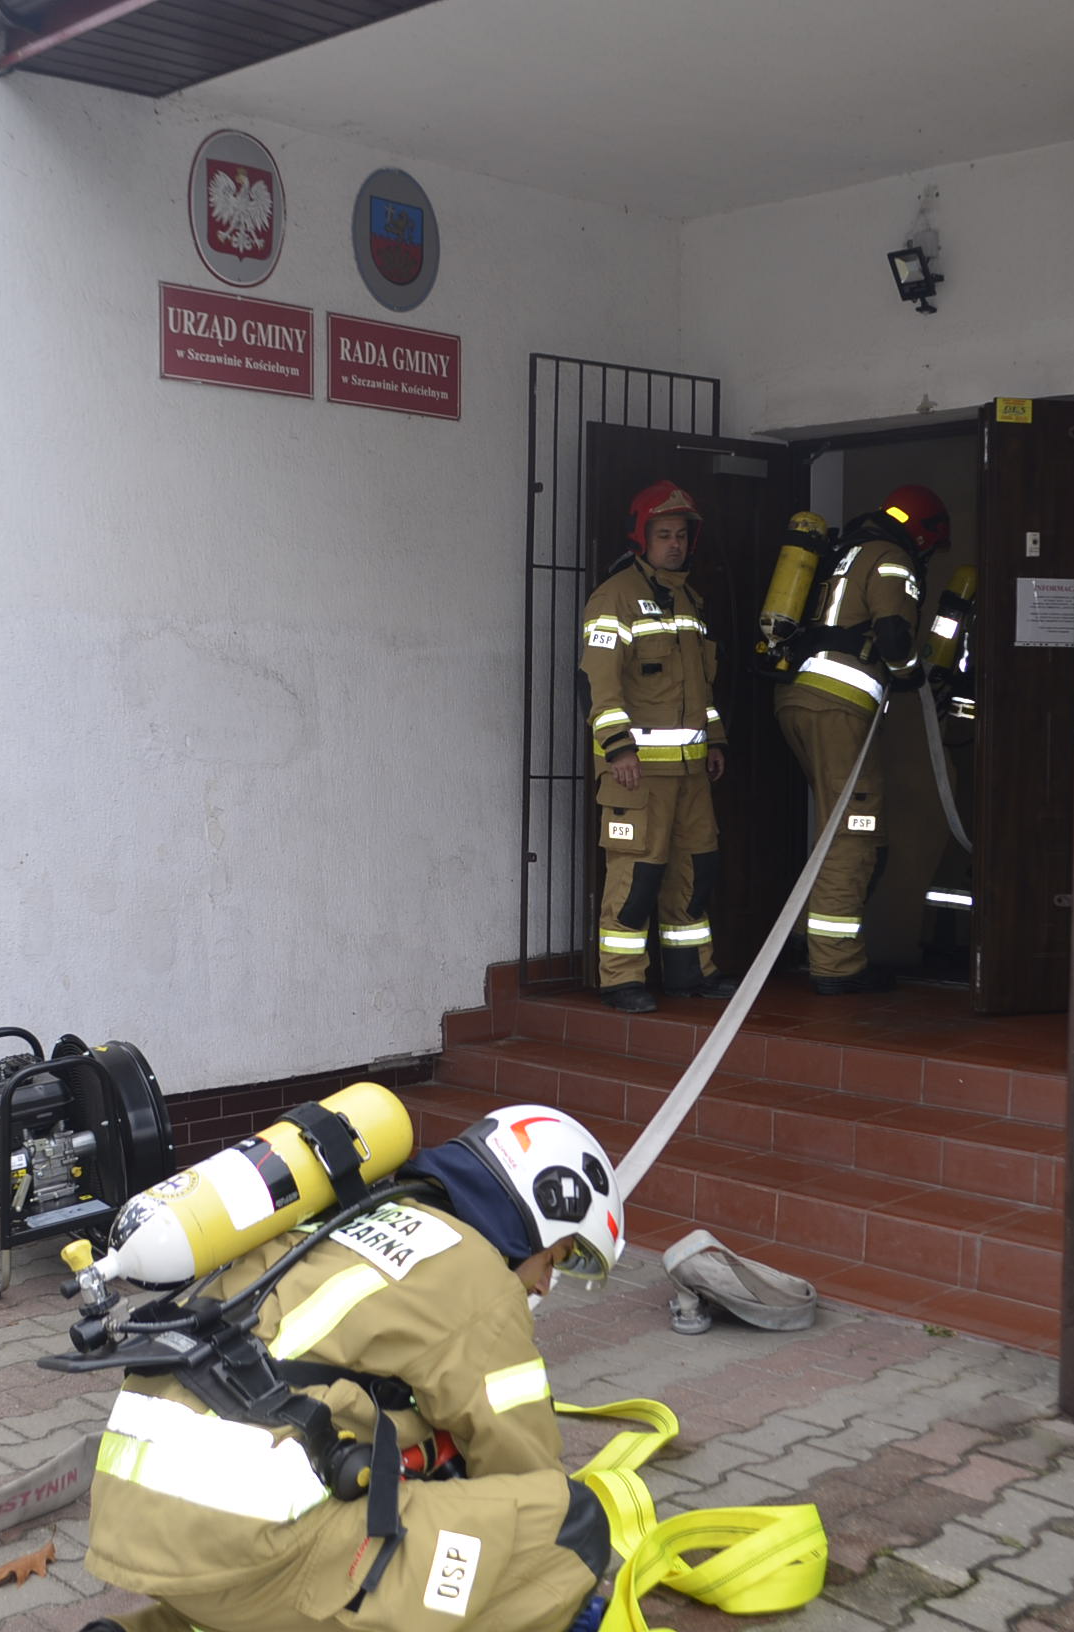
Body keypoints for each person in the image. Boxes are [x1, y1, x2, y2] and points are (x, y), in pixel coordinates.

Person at [79, 1104, 623, 1632]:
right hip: (251, 1540)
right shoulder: (479, 1277)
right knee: (566, 1526)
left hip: (133, 1522)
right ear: (537, 1214)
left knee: (273, 1577)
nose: (544, 1283)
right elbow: (522, 1466)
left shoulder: (344, 1212)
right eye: (553, 1258)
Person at [773, 484, 945, 994]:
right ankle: (837, 964)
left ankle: (803, 938)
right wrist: (910, 674)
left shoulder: (841, 551)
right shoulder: (892, 558)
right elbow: (893, 634)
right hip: (839, 706)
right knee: (855, 831)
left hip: (797, 699)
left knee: (836, 824)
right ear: (923, 534)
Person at [579, 481, 734, 1012]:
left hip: (691, 772)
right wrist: (618, 749)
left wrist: (714, 740)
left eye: (681, 535)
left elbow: (701, 687)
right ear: (642, 537)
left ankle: (691, 972)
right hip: (638, 772)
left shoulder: (689, 599)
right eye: (664, 534)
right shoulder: (614, 596)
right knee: (636, 875)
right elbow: (597, 683)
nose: (674, 544)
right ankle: (621, 979)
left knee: (696, 870)